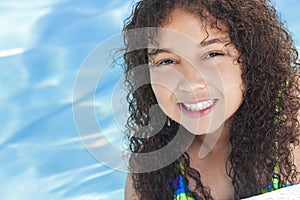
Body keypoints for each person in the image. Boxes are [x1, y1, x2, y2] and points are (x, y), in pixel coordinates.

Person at [122, 0, 300, 199]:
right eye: (167, 61)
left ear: (251, 57)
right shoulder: (150, 170)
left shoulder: (292, 120)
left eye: (212, 54)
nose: (191, 83)